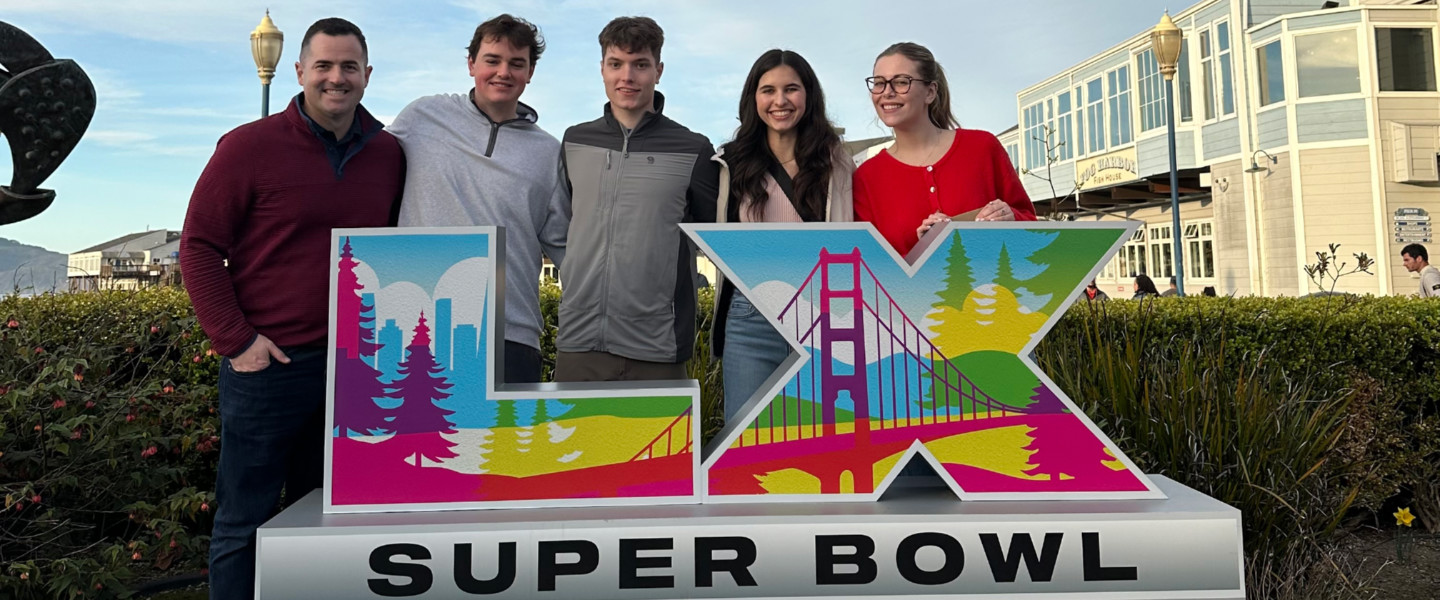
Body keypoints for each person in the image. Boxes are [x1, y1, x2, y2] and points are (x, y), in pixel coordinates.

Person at [178, 18, 404, 600]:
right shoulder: (247, 147)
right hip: (268, 368)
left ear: (367, 75)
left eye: (349, 66)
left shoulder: (389, 155)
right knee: (242, 525)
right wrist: (236, 341)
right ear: (300, 72)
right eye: (323, 66)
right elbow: (199, 248)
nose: (336, 78)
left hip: (353, 373)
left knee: (327, 523)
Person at [389, 14, 568, 383]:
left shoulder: (550, 153)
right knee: (417, 442)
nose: (503, 72)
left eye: (516, 63)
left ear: (530, 72)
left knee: (503, 444)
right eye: (492, 60)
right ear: (471, 64)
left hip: (511, 334)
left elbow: (567, 249)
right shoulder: (421, 117)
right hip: (415, 326)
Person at [554, 16, 720, 381]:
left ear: (658, 71)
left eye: (640, 65)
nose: (627, 77)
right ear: (602, 69)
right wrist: (579, 276)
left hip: (658, 346)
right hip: (579, 342)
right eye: (616, 64)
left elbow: (714, 238)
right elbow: (558, 227)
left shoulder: (693, 149)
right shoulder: (574, 141)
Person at [712, 49, 854, 421]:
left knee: (818, 439)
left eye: (791, 89)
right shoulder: (729, 162)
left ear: (808, 95)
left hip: (820, 314)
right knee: (746, 442)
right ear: (753, 98)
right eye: (767, 90)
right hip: (750, 315)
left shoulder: (835, 161)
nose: (779, 101)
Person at [853, 42, 1035, 256]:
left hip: (997, 288)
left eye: (901, 82)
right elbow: (871, 266)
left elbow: (1032, 226)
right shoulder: (867, 178)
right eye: (879, 83)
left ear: (930, 92)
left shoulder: (982, 148)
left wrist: (1010, 216)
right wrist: (922, 251)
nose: (887, 92)